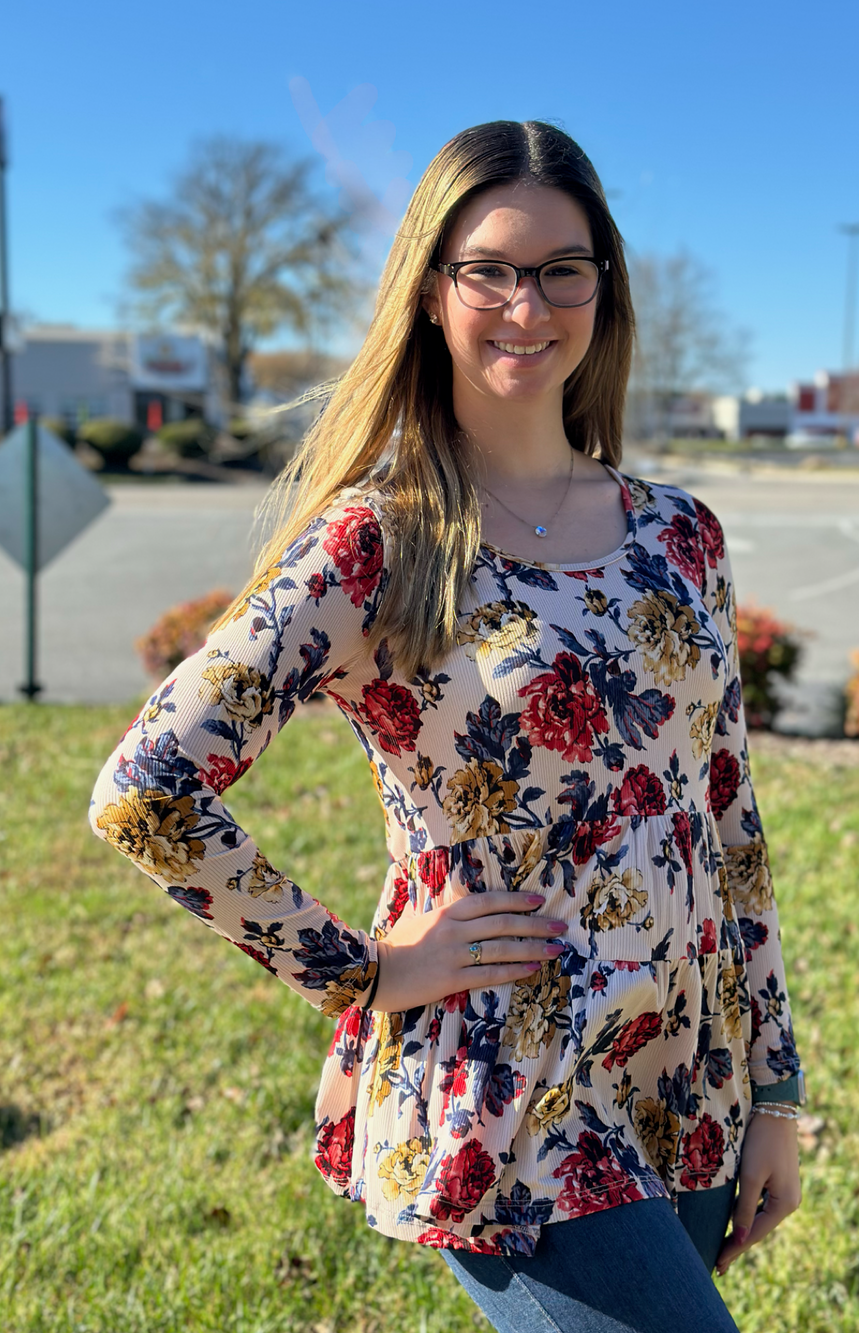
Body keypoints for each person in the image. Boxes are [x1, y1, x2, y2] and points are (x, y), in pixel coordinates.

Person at [89, 120, 803, 1333]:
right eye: (489, 271)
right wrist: (366, 970)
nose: (527, 306)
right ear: (430, 290)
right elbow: (146, 787)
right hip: (509, 1092)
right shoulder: (378, 542)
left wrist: (774, 1087)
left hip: (681, 1067)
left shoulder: (680, 534)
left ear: (603, 288)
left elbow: (726, 812)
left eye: (561, 269)